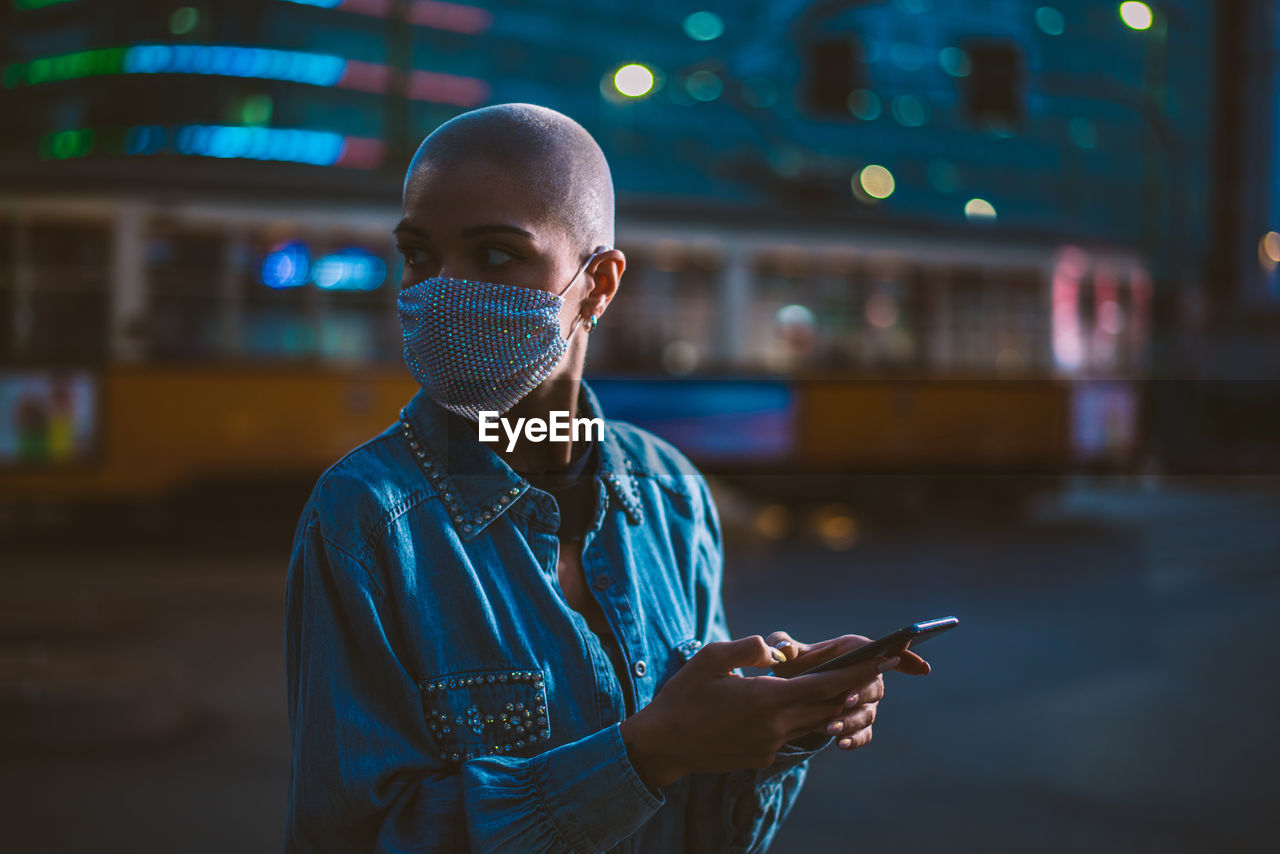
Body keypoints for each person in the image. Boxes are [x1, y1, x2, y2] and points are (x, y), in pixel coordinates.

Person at [284, 103, 930, 853]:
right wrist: (649, 753)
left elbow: (710, 830)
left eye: (494, 257)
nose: (442, 291)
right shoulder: (364, 520)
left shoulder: (669, 492)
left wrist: (777, 724)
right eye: (420, 256)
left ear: (599, 284)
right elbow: (351, 837)